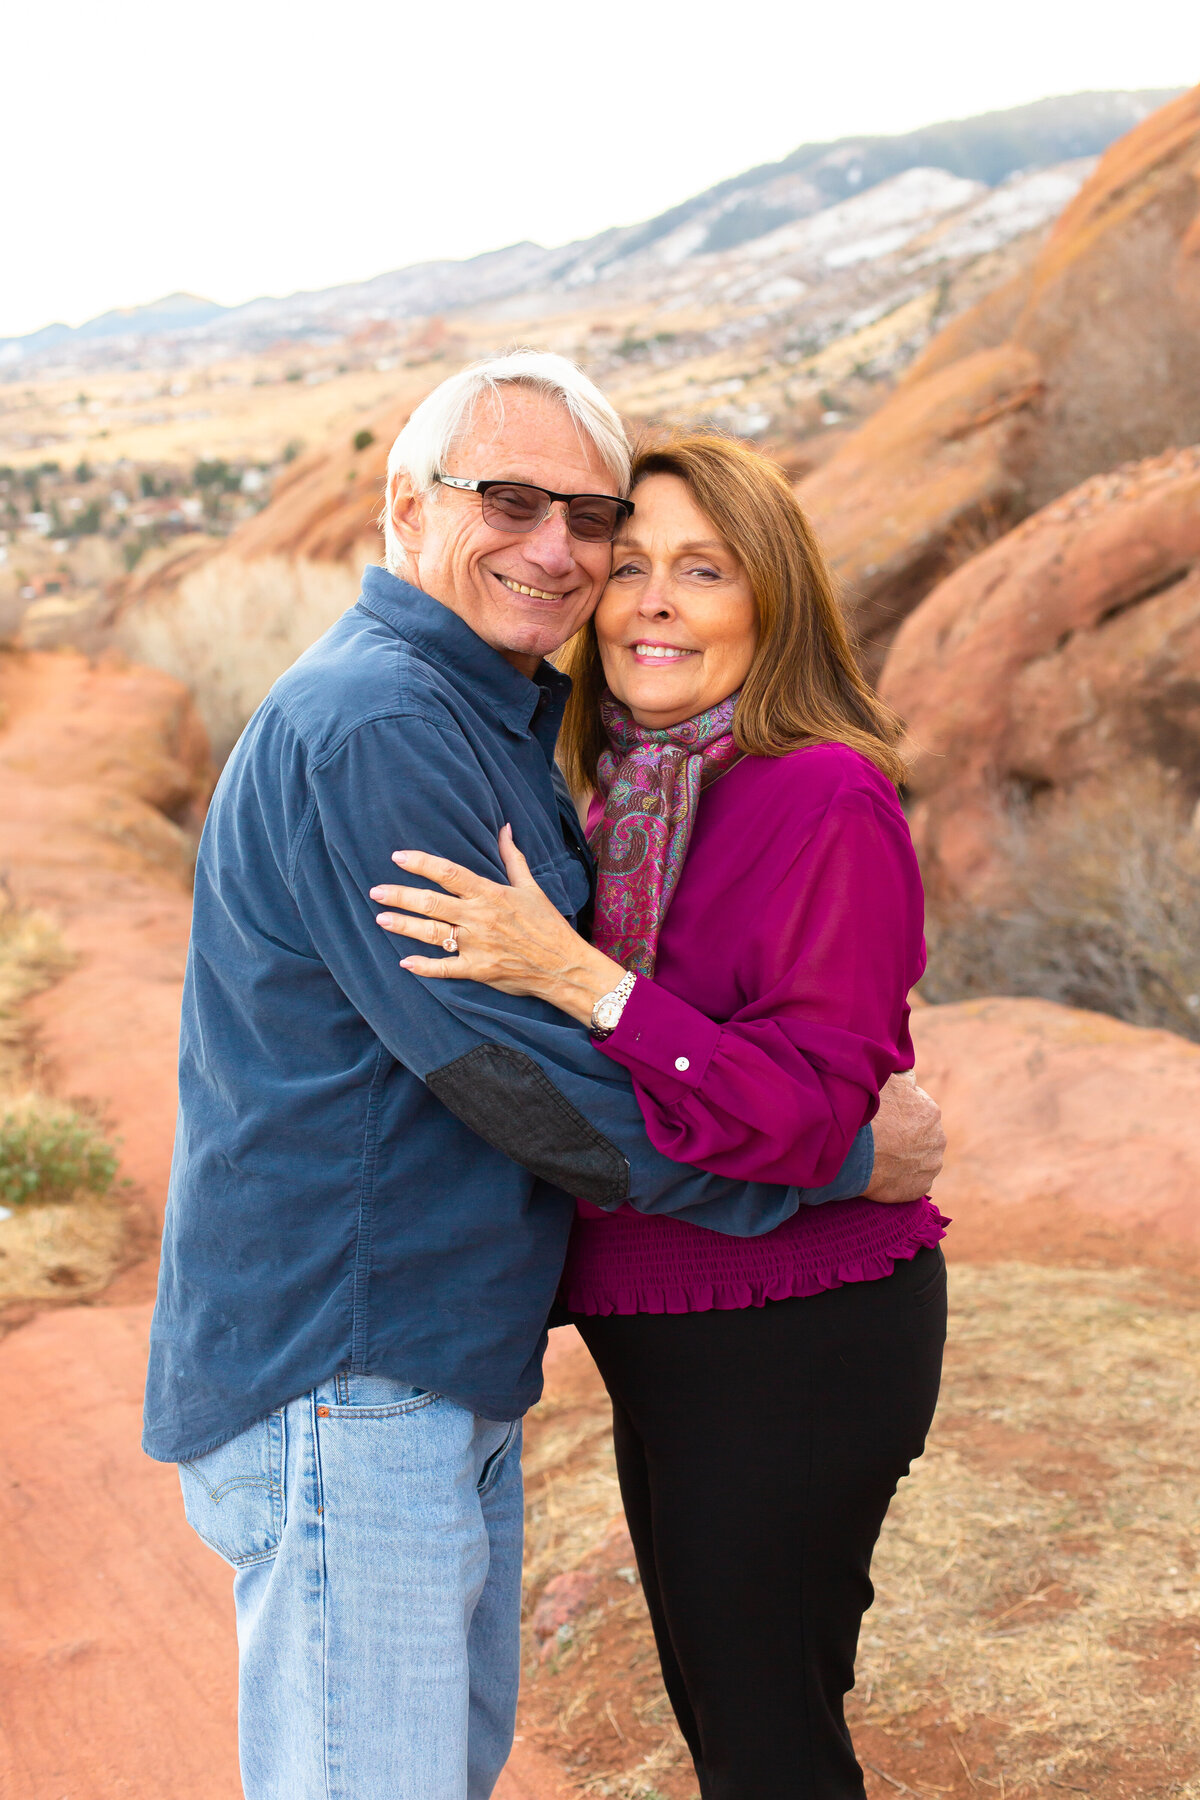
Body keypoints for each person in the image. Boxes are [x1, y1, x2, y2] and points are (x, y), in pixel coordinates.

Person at [144, 354, 944, 1800]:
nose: (568, 556)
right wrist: (842, 1155)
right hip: (355, 1363)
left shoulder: (523, 727)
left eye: (594, 517)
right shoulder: (384, 728)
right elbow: (515, 1085)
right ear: (403, 504)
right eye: (513, 503)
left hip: (436, 1356)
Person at [372, 430, 948, 1800]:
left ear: (774, 600)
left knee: (768, 1744)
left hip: (796, 1325)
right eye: (629, 568)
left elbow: (813, 1111)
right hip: (677, 1329)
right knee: (738, 1722)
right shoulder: (622, 798)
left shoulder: (825, 792)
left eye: (703, 570)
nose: (652, 604)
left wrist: (577, 978)